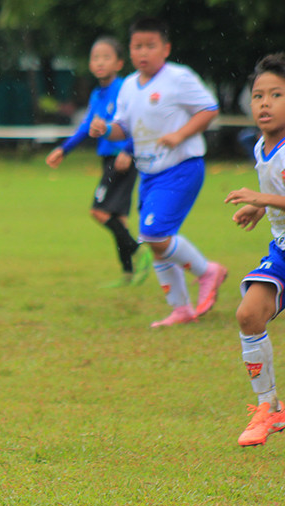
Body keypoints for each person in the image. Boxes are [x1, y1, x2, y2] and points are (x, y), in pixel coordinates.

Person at [90, 17, 226, 327]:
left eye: (151, 46)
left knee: (153, 234)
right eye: (137, 46)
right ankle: (181, 309)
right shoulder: (127, 86)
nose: (143, 52)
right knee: (154, 239)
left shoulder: (179, 78)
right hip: (149, 172)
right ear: (130, 49)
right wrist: (105, 129)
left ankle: (208, 272)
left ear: (166, 48)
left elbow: (209, 109)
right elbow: (122, 128)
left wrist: (179, 135)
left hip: (181, 168)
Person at [46, 37, 149, 287]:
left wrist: (128, 150)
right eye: (95, 57)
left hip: (122, 158)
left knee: (99, 211)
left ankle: (140, 251)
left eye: (106, 57)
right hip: (107, 158)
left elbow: (138, 121)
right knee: (118, 218)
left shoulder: (125, 88)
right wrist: (64, 149)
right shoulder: (97, 94)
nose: (100, 62)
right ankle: (129, 274)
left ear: (119, 62)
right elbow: (86, 126)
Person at [225, 53, 285, 447]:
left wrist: (261, 196)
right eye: (258, 95)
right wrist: (259, 205)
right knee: (249, 314)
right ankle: (269, 408)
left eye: (276, 94)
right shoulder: (262, 147)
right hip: (282, 249)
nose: (264, 103)